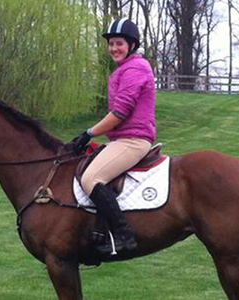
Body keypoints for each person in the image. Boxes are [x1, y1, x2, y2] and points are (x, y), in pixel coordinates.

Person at [71, 18, 156, 255]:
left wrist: (88, 133)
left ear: (131, 45)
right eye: (110, 44)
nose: (113, 48)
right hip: (121, 140)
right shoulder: (125, 69)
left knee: (91, 180)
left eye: (118, 43)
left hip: (133, 141)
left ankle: (124, 236)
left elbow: (119, 113)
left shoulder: (135, 69)